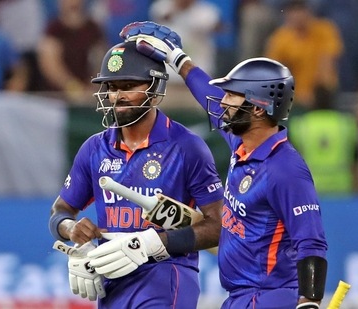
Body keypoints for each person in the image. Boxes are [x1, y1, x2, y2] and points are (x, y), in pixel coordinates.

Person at [120, 21, 329, 309]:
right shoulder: (242, 142)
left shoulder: (285, 169)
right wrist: (179, 60)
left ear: (257, 107)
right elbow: (210, 99)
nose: (224, 102)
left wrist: (310, 302)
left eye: (232, 94)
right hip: (241, 297)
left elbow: (312, 242)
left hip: (269, 297)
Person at [48, 38, 225, 308]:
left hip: (167, 277)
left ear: (155, 89)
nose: (117, 96)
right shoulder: (94, 148)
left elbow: (219, 228)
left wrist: (152, 243)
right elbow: (60, 211)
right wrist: (73, 232)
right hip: (112, 280)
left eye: (129, 86)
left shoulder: (187, 147)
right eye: (111, 87)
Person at [264, 0, 343, 112]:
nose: (298, 17)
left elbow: (327, 62)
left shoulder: (325, 30)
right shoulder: (280, 39)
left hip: (324, 95)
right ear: (287, 16)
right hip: (294, 99)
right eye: (293, 13)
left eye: (301, 11)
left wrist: (319, 92)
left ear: (309, 13)